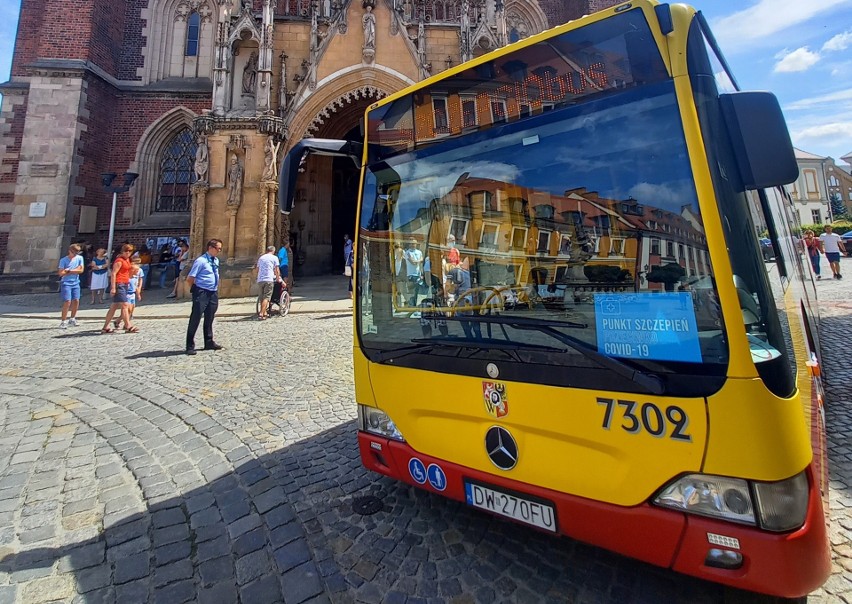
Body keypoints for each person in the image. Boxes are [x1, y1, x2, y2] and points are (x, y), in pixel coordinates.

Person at [185, 239, 224, 355]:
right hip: (202, 292)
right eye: (218, 248)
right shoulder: (200, 261)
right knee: (196, 317)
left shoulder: (215, 260)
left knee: (210, 317)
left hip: (212, 292)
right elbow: (190, 278)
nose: (220, 250)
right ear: (211, 248)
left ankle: (208, 341)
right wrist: (196, 289)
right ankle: (189, 345)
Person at [101, 244, 138, 334]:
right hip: (119, 284)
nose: (128, 253)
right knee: (125, 305)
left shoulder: (127, 260)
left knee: (114, 306)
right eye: (126, 251)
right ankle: (128, 325)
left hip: (125, 283)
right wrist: (113, 288)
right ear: (122, 251)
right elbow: (113, 274)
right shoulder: (119, 260)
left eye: (130, 251)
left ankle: (105, 327)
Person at [58, 243, 85, 328]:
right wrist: (74, 270)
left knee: (76, 300)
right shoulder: (63, 260)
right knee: (67, 301)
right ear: (70, 251)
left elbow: (81, 270)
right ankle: (63, 321)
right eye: (74, 253)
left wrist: (69, 270)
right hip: (66, 282)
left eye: (77, 253)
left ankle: (72, 318)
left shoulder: (80, 258)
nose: (75, 254)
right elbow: (61, 273)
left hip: (76, 282)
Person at [117, 255, 144, 329]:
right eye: (136, 271)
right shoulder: (127, 278)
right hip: (127, 294)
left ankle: (118, 321)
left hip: (132, 294)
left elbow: (136, 285)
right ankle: (126, 324)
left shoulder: (135, 278)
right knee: (127, 309)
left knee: (131, 309)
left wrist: (138, 293)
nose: (137, 272)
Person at [256, 245, 281, 320]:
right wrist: (277, 278)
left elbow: (257, 269)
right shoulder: (274, 258)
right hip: (269, 279)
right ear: (273, 251)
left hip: (260, 279)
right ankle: (261, 313)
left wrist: (258, 277)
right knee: (267, 297)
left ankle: (265, 313)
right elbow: (276, 270)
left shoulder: (261, 258)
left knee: (262, 296)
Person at [403, 238, 423, 306]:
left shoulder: (419, 252)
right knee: (412, 291)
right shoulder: (407, 253)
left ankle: (414, 305)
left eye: (414, 244)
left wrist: (417, 261)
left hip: (418, 274)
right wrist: (418, 261)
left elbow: (421, 260)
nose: (412, 245)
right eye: (411, 243)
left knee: (417, 292)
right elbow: (413, 262)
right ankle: (412, 305)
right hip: (411, 274)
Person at [343, 234, 354, 299]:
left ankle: (352, 294)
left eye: (345, 237)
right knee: (351, 279)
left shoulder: (349, 242)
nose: (344, 238)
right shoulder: (351, 253)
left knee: (352, 280)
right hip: (350, 262)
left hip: (351, 264)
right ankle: (351, 294)